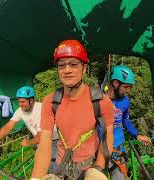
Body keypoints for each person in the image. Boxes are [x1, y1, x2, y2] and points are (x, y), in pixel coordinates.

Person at [31, 40, 114, 180]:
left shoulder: (100, 100)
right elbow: (45, 144)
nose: (67, 70)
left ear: (84, 67)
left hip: (90, 166)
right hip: (61, 167)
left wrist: (97, 168)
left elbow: (107, 139)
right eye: (61, 65)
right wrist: (36, 177)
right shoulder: (50, 102)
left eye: (74, 64)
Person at [0, 86, 59, 172]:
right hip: (40, 141)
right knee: (44, 167)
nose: (20, 104)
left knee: (55, 168)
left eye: (23, 102)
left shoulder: (41, 109)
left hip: (54, 141)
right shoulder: (21, 110)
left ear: (31, 101)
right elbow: (8, 127)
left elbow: (41, 136)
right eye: (19, 101)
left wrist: (29, 142)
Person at [106, 65, 152, 179]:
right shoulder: (99, 99)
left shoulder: (125, 101)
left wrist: (137, 135)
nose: (128, 90)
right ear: (116, 83)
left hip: (117, 149)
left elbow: (125, 120)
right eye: (126, 87)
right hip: (98, 151)